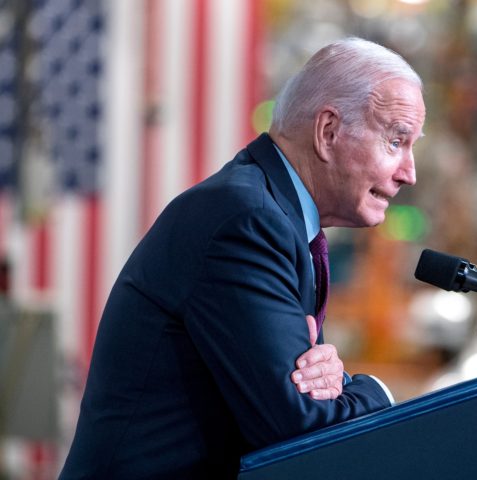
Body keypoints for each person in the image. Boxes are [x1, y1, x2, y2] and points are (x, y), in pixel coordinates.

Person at [59, 37, 426, 479]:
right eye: (396, 141)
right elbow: (299, 433)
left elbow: (299, 403)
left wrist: (338, 385)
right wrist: (375, 391)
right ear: (328, 132)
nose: (409, 173)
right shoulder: (248, 220)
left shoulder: (272, 214)